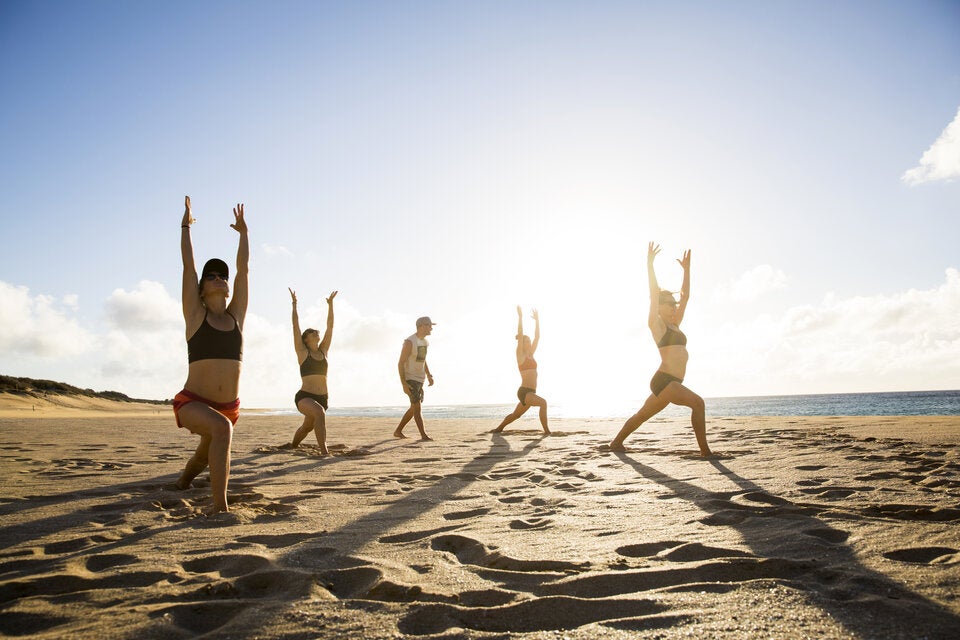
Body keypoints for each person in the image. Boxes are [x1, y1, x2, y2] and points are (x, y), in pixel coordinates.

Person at [171, 195, 249, 513]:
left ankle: (183, 481)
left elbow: (243, 270)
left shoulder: (236, 317)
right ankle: (220, 507)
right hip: (193, 403)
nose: (219, 279)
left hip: (228, 407)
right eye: (211, 276)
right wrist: (185, 226)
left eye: (222, 276)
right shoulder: (195, 315)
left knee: (206, 454)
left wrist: (244, 235)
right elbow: (188, 265)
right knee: (221, 431)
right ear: (201, 288)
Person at [609, 242, 712, 456]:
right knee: (698, 404)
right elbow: (653, 294)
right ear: (659, 307)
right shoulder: (657, 326)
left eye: (674, 305)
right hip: (665, 380)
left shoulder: (675, 324)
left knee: (641, 416)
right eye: (669, 305)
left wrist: (687, 271)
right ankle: (705, 452)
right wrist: (650, 265)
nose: (674, 307)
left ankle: (616, 443)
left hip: (671, 382)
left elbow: (686, 296)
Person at [288, 288, 337, 453]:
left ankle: (293, 445)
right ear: (305, 339)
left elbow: (330, 326)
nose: (315, 333)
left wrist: (330, 305)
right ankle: (324, 451)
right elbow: (295, 326)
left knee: (307, 427)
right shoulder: (302, 353)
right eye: (311, 333)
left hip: (323, 397)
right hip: (305, 397)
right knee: (319, 414)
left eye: (316, 332)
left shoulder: (323, 351)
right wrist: (294, 304)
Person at [493, 306, 550, 434]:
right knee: (543, 403)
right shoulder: (521, 355)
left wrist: (537, 320)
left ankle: (499, 429)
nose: (529, 343)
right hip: (525, 392)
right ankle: (546, 431)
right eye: (527, 341)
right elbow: (520, 332)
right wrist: (520, 318)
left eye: (529, 341)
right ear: (522, 344)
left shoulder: (531, 354)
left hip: (531, 392)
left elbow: (537, 337)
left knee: (515, 415)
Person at [394, 317, 435, 440]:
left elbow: (423, 359)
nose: (431, 328)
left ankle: (398, 431)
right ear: (422, 326)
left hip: (420, 379)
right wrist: (404, 384)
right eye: (429, 325)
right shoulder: (409, 342)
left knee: (413, 407)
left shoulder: (425, 342)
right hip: (410, 378)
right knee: (417, 407)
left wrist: (429, 375)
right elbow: (400, 363)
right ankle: (423, 435)